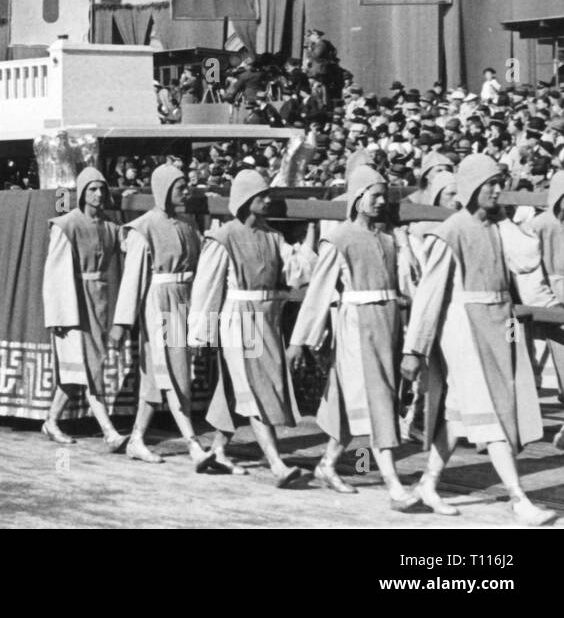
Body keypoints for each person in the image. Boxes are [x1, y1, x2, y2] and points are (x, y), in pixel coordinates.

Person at [401, 154, 557, 525]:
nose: (498, 190)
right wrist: (414, 348)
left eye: (499, 182)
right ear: (472, 187)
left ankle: (427, 483)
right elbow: (429, 294)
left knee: (456, 416)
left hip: (497, 324)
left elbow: (527, 259)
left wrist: (504, 221)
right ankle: (519, 498)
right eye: (491, 183)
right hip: (463, 329)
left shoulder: (495, 226)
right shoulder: (451, 231)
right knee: (493, 413)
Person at [288, 167, 421, 510]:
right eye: (374, 196)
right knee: (378, 401)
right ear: (357, 197)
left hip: (387, 326)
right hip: (356, 329)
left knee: (355, 404)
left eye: (384, 197)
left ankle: (328, 465)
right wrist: (300, 340)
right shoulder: (339, 239)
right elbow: (318, 292)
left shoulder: (389, 238)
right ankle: (393, 484)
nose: (381, 203)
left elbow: (405, 285)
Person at [187, 169, 311, 486]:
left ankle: (217, 451)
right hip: (239, 321)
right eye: (261, 196)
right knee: (254, 387)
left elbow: (296, 274)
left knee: (236, 388)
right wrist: (199, 333)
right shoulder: (223, 237)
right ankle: (276, 464)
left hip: (267, 321)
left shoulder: (273, 236)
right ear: (245, 200)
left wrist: (309, 241)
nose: (268, 200)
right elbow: (207, 288)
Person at [116, 164, 214, 468]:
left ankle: (135, 439)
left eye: (186, 185)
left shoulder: (187, 225)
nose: (186, 191)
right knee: (173, 372)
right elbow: (132, 279)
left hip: (185, 300)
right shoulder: (143, 228)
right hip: (159, 304)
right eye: (179, 186)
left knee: (159, 375)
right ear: (163, 189)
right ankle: (193, 444)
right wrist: (122, 323)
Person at [41, 166, 132, 452]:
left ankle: (51, 421)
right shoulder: (66, 225)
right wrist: (58, 314)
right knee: (88, 369)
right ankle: (109, 432)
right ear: (81, 193)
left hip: (99, 303)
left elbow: (131, 244)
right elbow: (54, 274)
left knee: (79, 371)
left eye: (102, 188)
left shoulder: (109, 227)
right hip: (74, 304)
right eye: (92, 189)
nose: (98, 194)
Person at [521, 171, 564, 448]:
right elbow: (526, 265)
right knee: (528, 359)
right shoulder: (539, 224)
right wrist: (546, 299)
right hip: (542, 298)